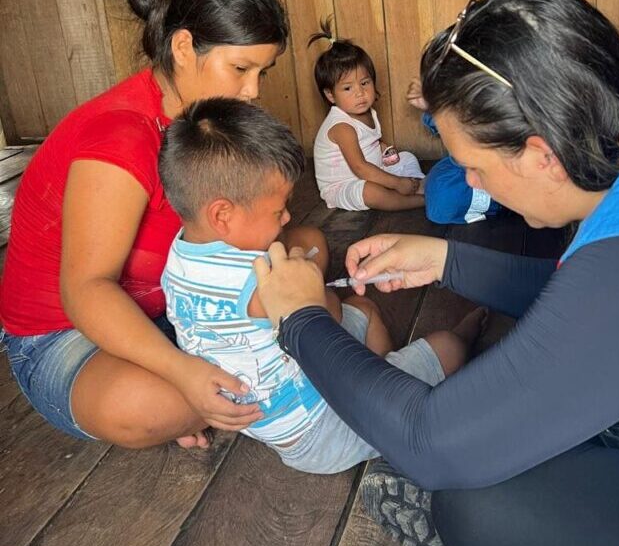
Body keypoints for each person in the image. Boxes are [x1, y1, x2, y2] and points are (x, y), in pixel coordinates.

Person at [252, 0, 619, 546]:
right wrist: (448, 260)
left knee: (477, 505)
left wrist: (302, 320)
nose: (470, 182)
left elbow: (431, 442)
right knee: (524, 418)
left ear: (541, 155)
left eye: (475, 167)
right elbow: (606, 302)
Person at [0, 0, 327, 450]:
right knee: (147, 407)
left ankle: (218, 381)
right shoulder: (120, 136)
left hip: (174, 305)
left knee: (310, 245)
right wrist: (181, 371)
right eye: (241, 69)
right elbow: (86, 290)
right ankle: (206, 388)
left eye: (263, 72)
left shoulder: (209, 122)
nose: (254, 91)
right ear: (183, 48)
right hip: (66, 333)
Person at [159, 97, 483, 473]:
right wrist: (309, 279)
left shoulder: (179, 255)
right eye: (278, 210)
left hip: (265, 419)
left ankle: (381, 385)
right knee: (447, 346)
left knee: (364, 310)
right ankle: (391, 416)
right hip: (321, 433)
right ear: (222, 215)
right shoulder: (258, 277)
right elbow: (325, 315)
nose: (287, 217)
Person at [408, 0, 558, 224]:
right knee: (441, 188)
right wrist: (434, 101)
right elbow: (462, 98)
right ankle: (505, 194)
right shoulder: (479, 24)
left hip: (526, 149)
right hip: (481, 142)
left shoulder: (552, 30)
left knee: (444, 197)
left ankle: (512, 196)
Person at [309, 20, 426, 211]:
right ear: (330, 95)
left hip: (372, 169)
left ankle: (415, 184)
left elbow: (369, 140)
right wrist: (396, 183)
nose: (360, 93)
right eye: (348, 88)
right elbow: (360, 168)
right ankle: (420, 200)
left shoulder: (368, 112)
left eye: (364, 83)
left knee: (406, 157)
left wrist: (384, 148)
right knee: (371, 192)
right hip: (344, 185)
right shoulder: (341, 127)